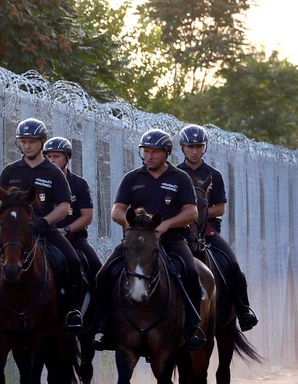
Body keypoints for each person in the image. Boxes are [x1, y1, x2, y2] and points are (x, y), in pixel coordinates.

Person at [0, 118, 84, 335]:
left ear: (42, 142)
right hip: (13, 233)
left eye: (32, 142)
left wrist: (44, 221)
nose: (27, 146)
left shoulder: (53, 172)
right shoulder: (10, 170)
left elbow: (64, 206)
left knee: (72, 261)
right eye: (23, 142)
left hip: (44, 231)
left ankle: (72, 311)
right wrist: (0, 216)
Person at [93, 128, 206, 349]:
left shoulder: (180, 178)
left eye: (155, 152)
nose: (149, 156)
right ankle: (104, 327)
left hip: (171, 239)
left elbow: (191, 212)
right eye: (145, 151)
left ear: (166, 153)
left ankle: (192, 326)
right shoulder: (132, 178)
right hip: (137, 241)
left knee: (192, 272)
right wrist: (133, 227)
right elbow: (117, 211)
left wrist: (165, 225)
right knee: (104, 274)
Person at [177, 124, 258, 331]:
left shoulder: (214, 174)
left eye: (199, 146)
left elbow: (220, 208)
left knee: (232, 264)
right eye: (190, 146)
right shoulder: (175, 174)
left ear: (204, 147)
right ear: (183, 147)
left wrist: (199, 215)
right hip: (180, 230)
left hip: (209, 231)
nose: (194, 150)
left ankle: (243, 310)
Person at [42, 137, 102, 311]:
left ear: (67, 158)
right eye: (48, 157)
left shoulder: (79, 184)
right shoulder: (39, 181)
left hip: (74, 239)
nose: (52, 161)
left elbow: (87, 216)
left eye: (56, 156)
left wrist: (66, 229)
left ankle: (100, 319)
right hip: (43, 237)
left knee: (98, 272)